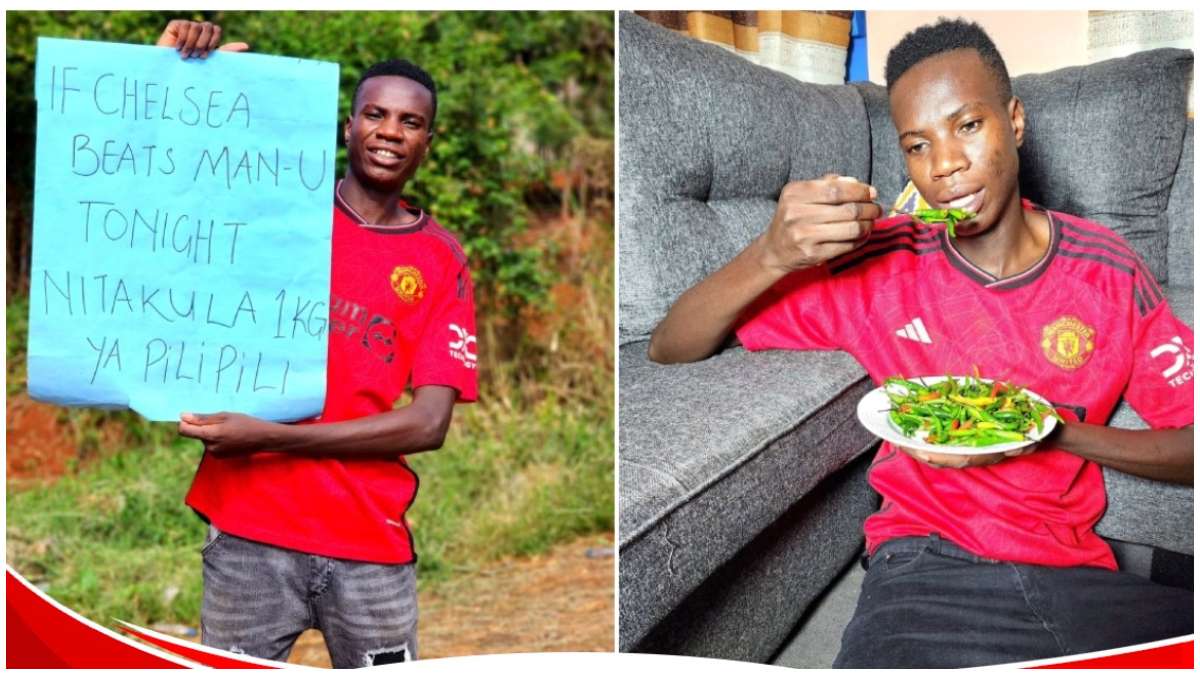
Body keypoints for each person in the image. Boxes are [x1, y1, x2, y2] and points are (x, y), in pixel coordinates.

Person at [649, 18, 1192, 668]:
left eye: (967, 125)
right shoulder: (882, 263)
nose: (946, 165)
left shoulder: (1110, 270)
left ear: (1014, 122)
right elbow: (672, 343)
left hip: (1075, 573)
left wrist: (1049, 431)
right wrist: (769, 252)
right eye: (916, 145)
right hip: (924, 565)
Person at [158, 20, 478, 667]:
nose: (390, 131)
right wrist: (174, 78)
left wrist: (270, 436)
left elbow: (429, 421)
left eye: (410, 122)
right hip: (248, 531)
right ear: (348, 126)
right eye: (375, 114)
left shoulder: (442, 259)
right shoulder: (275, 210)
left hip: (369, 543)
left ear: (428, 142)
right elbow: (165, 202)